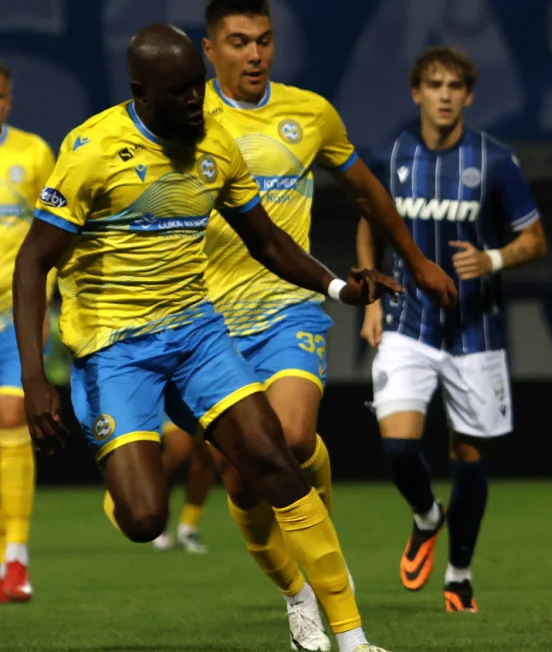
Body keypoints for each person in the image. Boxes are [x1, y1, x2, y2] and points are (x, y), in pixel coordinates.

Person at [14, 23, 397, 652]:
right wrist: (36, 380)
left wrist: (340, 290)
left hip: (196, 334)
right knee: (143, 520)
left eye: (199, 85)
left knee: (275, 458)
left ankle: (348, 636)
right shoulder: (91, 151)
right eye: (183, 91)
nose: (198, 100)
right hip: (114, 350)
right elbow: (33, 264)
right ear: (143, 92)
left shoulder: (216, 143)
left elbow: (268, 241)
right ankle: (125, 469)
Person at [198, 2, 457, 646]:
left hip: (290, 307)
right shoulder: (186, 121)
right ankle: (297, 593)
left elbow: (366, 188)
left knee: (287, 438)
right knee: (239, 475)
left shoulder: (310, 113)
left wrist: (417, 258)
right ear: (210, 50)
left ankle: (325, 587)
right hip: (205, 323)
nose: (255, 54)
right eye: (239, 43)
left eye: (264, 41)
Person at [356, 45, 547, 613]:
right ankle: (425, 516)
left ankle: (459, 574)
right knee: (396, 447)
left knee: (469, 460)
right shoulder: (391, 155)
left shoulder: (494, 160)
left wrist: (492, 260)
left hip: (475, 331)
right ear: (416, 92)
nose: (444, 95)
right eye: (434, 84)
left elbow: (535, 239)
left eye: (455, 86)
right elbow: (369, 220)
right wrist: (369, 298)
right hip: (407, 321)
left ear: (467, 95)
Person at [0, 61, 54, 604]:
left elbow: (51, 239)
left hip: (12, 316)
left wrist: (42, 312)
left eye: (0, 97)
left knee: (12, 416)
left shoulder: (34, 154)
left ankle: (16, 559)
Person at [151, 419, 215, 554]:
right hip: (170, 400)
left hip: (201, 400)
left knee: (207, 456)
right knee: (179, 450)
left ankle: (188, 527)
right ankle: (160, 513)